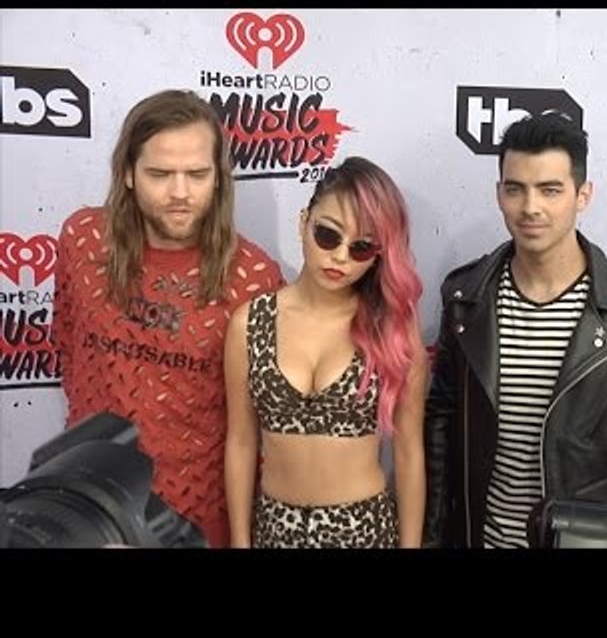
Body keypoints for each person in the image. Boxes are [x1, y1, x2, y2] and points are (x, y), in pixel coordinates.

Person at [423, 112, 607, 548]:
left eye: (550, 190)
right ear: (498, 194)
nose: (531, 207)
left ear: (583, 195)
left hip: (589, 539)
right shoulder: (465, 299)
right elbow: (440, 432)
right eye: (515, 189)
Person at [52, 89, 284, 548]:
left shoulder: (253, 278)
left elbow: (254, 425)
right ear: (128, 174)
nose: (180, 193)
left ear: (219, 177)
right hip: (88, 507)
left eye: (197, 174)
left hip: (193, 524)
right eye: (160, 173)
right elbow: (67, 348)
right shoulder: (81, 241)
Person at [224, 157, 427, 548]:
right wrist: (239, 540)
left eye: (362, 247)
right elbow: (241, 441)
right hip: (274, 530)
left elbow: (408, 453)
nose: (340, 257)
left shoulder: (393, 330)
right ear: (304, 222)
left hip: (365, 531)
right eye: (328, 236)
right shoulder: (249, 323)